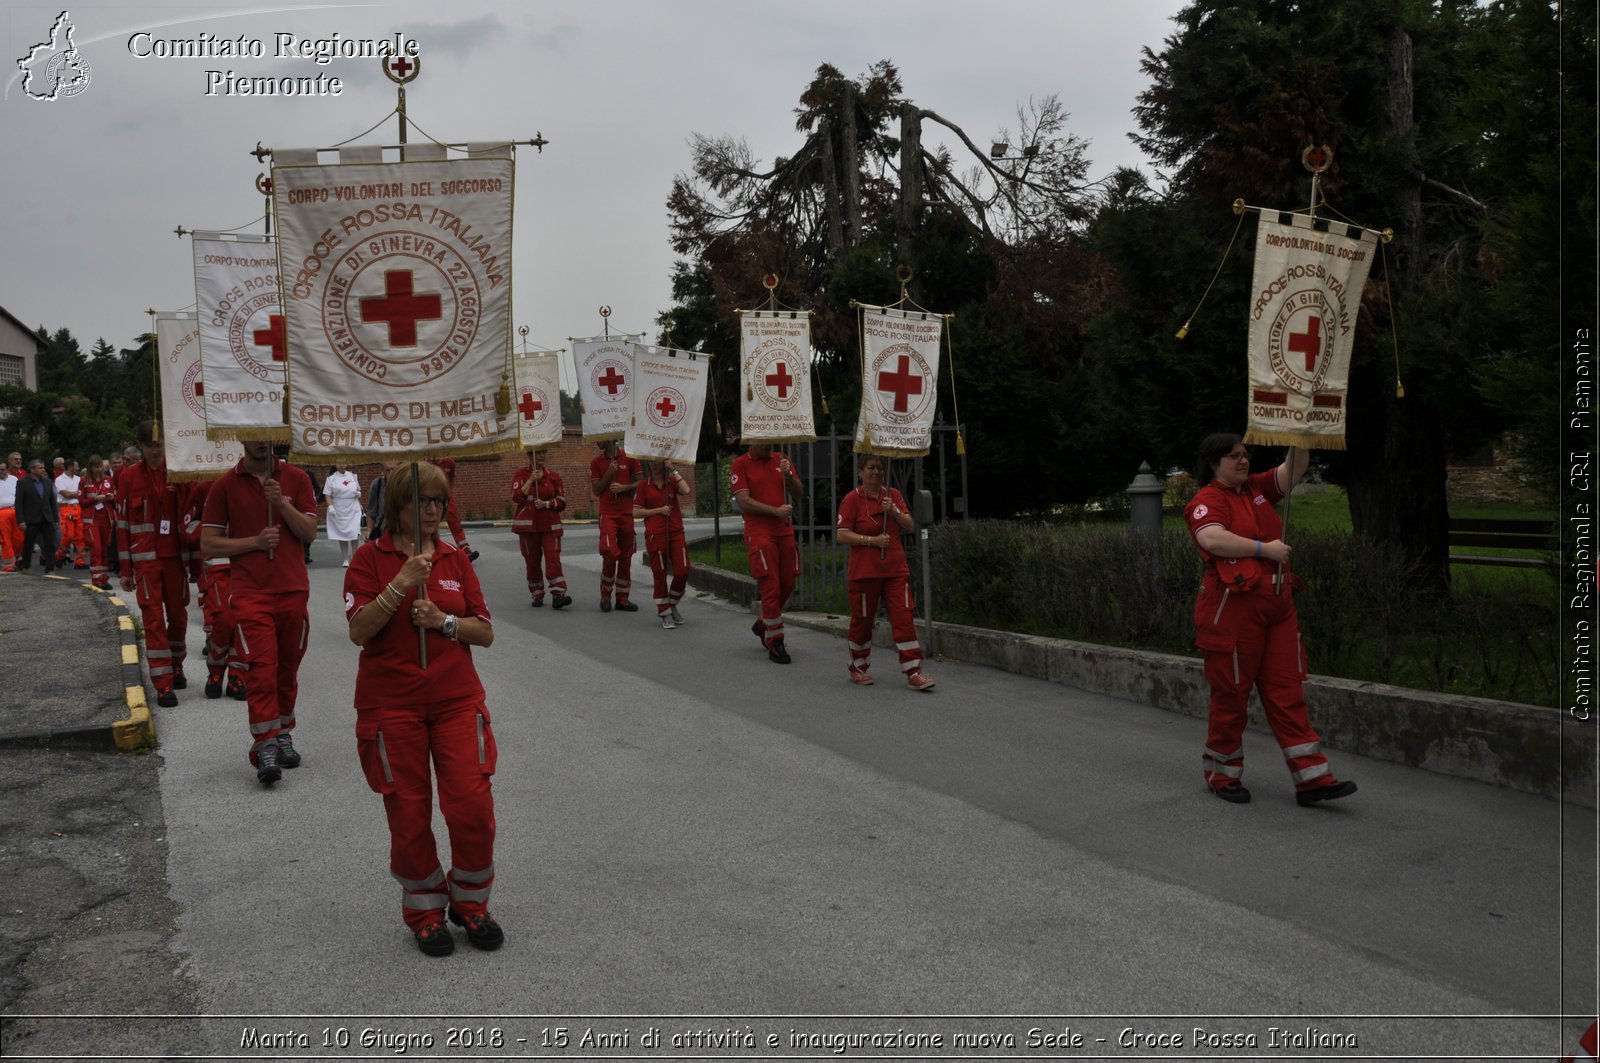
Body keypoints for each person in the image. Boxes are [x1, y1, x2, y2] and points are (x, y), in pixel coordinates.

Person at [344, 462, 503, 956]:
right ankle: (426, 911)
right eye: (421, 501)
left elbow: (486, 631)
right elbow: (359, 630)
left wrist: (443, 621)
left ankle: (471, 903)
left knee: (472, 807)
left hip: (457, 700)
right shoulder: (369, 560)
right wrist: (400, 584)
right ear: (398, 507)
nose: (432, 510)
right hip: (391, 707)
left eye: (439, 501)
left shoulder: (455, 560)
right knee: (409, 816)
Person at [1184, 433, 1358, 807]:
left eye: (1246, 455)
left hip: (1277, 607)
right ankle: (1222, 774)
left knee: (1287, 692)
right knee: (1232, 695)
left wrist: (1299, 432)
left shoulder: (1256, 489)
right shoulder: (1206, 500)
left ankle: (1313, 779)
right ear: (1214, 463)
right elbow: (1212, 539)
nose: (1244, 462)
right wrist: (1265, 549)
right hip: (1232, 609)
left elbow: (1293, 468)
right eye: (1235, 457)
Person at [201, 440, 319, 785]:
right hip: (251, 593)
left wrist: (280, 503)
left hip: (293, 589)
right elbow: (209, 543)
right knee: (262, 669)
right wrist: (254, 542)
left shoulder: (296, 478)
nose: (259, 441)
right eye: (252, 433)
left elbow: (309, 531)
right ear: (242, 436)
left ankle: (283, 733)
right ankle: (264, 745)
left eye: (265, 434)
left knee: (287, 668)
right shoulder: (224, 485)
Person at [835, 456, 936, 690]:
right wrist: (872, 540)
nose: (877, 472)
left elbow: (910, 525)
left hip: (895, 571)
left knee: (903, 618)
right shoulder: (852, 499)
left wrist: (895, 513)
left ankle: (913, 671)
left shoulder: (893, 495)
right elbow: (841, 534)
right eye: (871, 468)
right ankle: (858, 667)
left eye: (880, 468)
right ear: (860, 472)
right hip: (864, 573)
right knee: (862, 621)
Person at [116, 423, 195, 707]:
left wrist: (195, 564)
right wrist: (125, 570)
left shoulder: (178, 472)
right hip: (145, 562)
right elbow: (122, 523)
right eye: (150, 445)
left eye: (160, 444)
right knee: (153, 619)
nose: (155, 450)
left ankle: (176, 664)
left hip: (175, 558)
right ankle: (162, 684)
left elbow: (190, 515)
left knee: (178, 615)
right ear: (141, 446)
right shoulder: (127, 477)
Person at [731, 443, 803, 663]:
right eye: (764, 441)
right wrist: (775, 511)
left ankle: (764, 623)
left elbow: (799, 493)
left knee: (788, 583)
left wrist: (789, 475)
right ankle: (775, 642)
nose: (768, 445)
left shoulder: (782, 458)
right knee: (770, 587)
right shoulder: (740, 464)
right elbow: (743, 501)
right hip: (760, 533)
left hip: (784, 531)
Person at [182, 481, 245, 701]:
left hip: (248, 564)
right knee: (224, 621)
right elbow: (188, 525)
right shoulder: (203, 484)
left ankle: (237, 676)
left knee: (244, 623)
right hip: (218, 566)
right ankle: (216, 672)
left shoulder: (253, 481)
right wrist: (215, 531)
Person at [633, 460, 691, 629]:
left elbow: (686, 490)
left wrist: (673, 469)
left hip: (675, 531)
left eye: (659, 462)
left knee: (683, 569)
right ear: (648, 465)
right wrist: (658, 510)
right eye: (652, 462)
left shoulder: (672, 482)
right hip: (655, 534)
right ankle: (664, 611)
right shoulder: (644, 486)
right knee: (660, 573)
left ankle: (672, 603)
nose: (655, 464)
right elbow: (635, 512)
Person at [510, 449, 570, 608]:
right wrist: (530, 480)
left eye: (544, 453)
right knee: (532, 561)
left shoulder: (553, 476)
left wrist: (547, 504)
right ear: (529, 456)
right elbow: (516, 497)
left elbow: (562, 502)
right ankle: (537, 593)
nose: (541, 456)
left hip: (550, 525)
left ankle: (558, 594)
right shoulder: (521, 474)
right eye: (538, 453)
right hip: (529, 527)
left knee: (553, 559)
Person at [588, 441, 640, 612]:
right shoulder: (596, 462)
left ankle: (622, 598)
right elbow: (597, 490)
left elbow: (641, 483)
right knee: (610, 553)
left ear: (610, 437)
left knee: (626, 555)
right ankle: (605, 594)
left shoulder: (630, 457)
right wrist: (609, 473)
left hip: (626, 513)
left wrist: (624, 487)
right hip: (608, 514)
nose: (597, 441)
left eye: (600, 438)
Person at [16, 459, 60, 574]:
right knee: (29, 544)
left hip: (47, 517)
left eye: (43, 468)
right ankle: (26, 566)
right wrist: (21, 520)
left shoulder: (48, 482)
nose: (43, 470)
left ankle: (50, 568)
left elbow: (52, 502)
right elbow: (18, 503)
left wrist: (55, 519)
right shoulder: (22, 483)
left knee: (50, 543)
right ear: (32, 469)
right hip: (31, 518)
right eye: (40, 468)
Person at [432, 458, 479, 562]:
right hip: (432, 497)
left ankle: (465, 550)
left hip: (447, 496)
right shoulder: (427, 462)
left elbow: (452, 480)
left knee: (455, 523)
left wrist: (447, 493)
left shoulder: (449, 462)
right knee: (431, 522)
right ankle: (432, 549)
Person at [82, 455, 117, 588]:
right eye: (96, 466)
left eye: (100, 466)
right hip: (91, 520)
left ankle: (103, 578)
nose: (98, 469)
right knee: (96, 548)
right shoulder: (84, 481)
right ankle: (96, 580)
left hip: (106, 519)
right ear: (91, 467)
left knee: (104, 549)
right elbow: (82, 502)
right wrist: (96, 498)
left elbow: (114, 499)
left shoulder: (108, 480)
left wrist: (111, 497)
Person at [323, 463, 363, 567]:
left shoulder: (352, 476)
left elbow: (358, 489)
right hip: (339, 507)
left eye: (343, 462)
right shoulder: (331, 478)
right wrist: (330, 507)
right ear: (336, 465)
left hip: (353, 507)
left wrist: (358, 494)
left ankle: (355, 557)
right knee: (342, 534)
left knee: (355, 532)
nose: (341, 465)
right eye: (339, 463)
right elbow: (327, 494)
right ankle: (345, 558)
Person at [54, 458, 86, 569]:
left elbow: (81, 493)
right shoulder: (59, 479)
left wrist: (77, 494)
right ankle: (59, 556)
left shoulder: (79, 479)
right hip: (66, 509)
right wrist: (79, 494)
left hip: (78, 508)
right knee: (68, 536)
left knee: (80, 536)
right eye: (76, 466)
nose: (78, 468)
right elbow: (66, 494)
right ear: (71, 466)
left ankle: (80, 561)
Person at [366, 460, 397, 542]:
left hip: (400, 531)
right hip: (381, 531)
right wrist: (369, 532)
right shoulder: (378, 484)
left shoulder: (405, 483)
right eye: (387, 470)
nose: (391, 472)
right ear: (383, 471)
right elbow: (371, 511)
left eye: (393, 469)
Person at [0, 459, 20, 572]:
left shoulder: (14, 479)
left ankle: (17, 557)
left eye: (2, 469)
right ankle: (8, 563)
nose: (0, 471)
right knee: (5, 538)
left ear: (7, 470)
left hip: (16, 510)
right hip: (1, 512)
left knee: (19, 537)